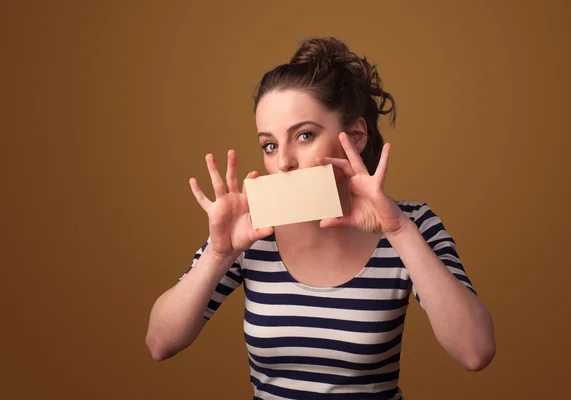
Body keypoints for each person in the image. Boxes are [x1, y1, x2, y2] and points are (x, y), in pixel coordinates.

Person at [146, 36, 496, 400]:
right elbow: (160, 343)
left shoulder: (411, 224)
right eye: (270, 145)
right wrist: (218, 255)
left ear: (356, 136)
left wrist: (399, 231)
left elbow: (475, 351)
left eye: (304, 135)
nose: (283, 162)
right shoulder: (253, 230)